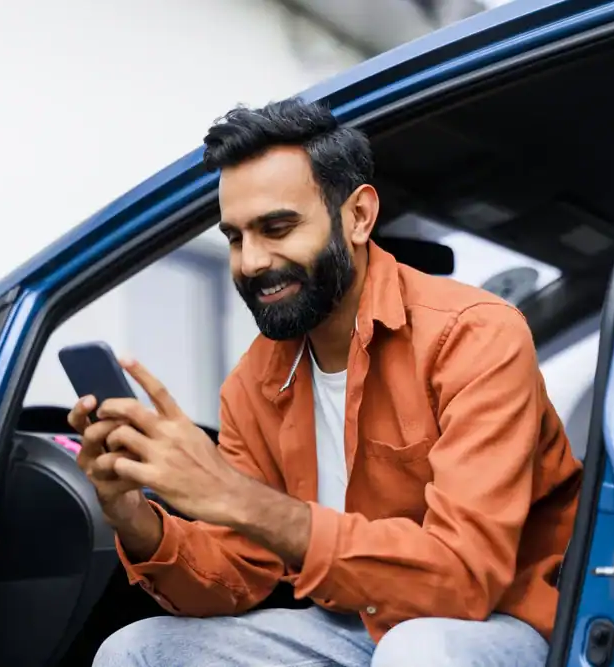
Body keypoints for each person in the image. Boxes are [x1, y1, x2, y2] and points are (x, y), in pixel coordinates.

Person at [67, 98, 583, 667]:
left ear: (359, 217)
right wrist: (133, 516)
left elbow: (464, 579)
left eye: (278, 228)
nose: (252, 261)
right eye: (236, 238)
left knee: (421, 651)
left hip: (496, 623)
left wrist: (237, 497)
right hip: (352, 626)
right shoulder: (254, 381)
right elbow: (236, 576)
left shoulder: (476, 334)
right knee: (136, 652)